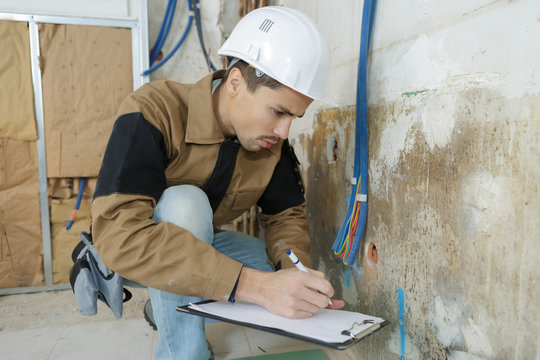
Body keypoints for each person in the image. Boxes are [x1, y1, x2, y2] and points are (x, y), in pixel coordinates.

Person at [91, 6, 344, 360]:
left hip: (202, 241)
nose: (285, 131)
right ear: (236, 83)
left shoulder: (270, 143)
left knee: (274, 271)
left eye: (295, 117)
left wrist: (295, 276)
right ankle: (186, 352)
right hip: (132, 247)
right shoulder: (153, 111)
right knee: (186, 205)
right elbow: (120, 233)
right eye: (278, 111)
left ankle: (168, 307)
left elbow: (286, 220)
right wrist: (252, 287)